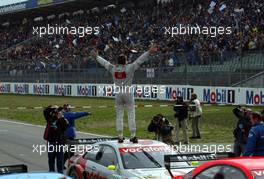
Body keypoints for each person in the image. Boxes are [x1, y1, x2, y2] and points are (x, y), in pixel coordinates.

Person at [91, 44, 158, 143]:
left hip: (118, 92)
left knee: (119, 115)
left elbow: (104, 63)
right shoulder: (129, 67)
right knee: (131, 113)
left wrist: (96, 57)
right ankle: (133, 135)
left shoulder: (113, 68)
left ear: (117, 61)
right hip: (128, 91)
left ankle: (120, 136)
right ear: (126, 61)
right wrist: (149, 52)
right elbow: (140, 60)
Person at [43, 106, 68, 173]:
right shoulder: (50, 119)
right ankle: (51, 172)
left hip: (60, 143)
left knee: (60, 160)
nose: (59, 113)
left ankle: (60, 173)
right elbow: (45, 111)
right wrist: (53, 107)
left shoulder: (63, 120)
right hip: (51, 142)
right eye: (58, 112)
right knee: (51, 159)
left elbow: (65, 127)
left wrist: (60, 118)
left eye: (60, 113)